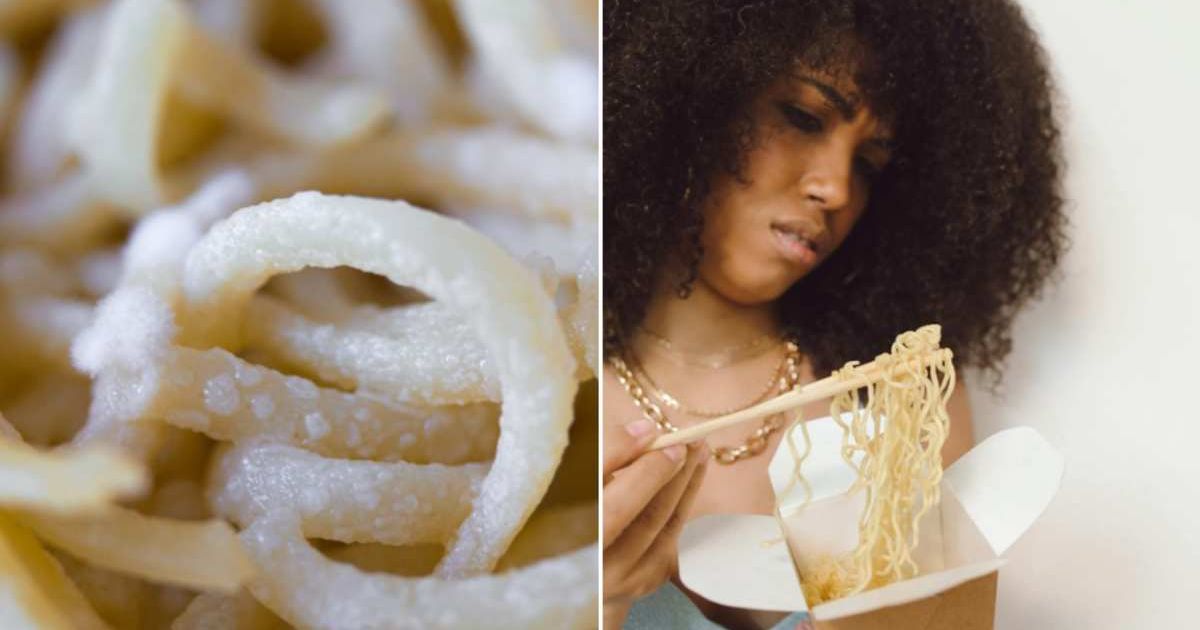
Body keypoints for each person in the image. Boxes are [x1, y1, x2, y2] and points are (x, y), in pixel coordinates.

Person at [601, 1, 1067, 628]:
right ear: (691, 96)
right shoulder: (545, 377)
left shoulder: (904, 403)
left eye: (870, 164)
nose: (836, 189)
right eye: (802, 116)